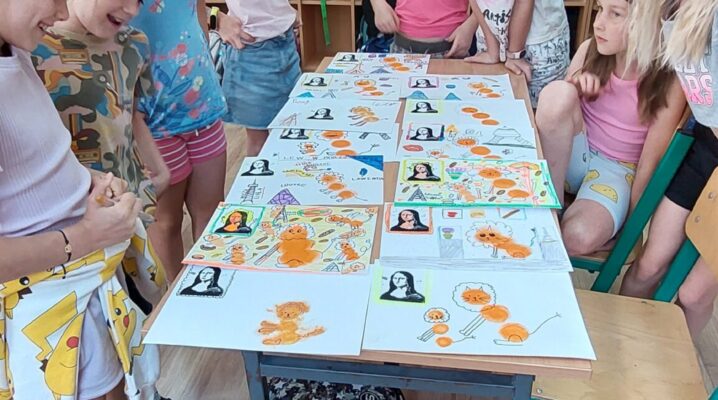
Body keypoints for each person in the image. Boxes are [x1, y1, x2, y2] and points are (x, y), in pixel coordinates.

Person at [0, 0, 164, 398]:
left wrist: (89, 181)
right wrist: (85, 236)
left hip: (84, 282)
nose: (61, 13)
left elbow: (34, 160)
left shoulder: (15, 48)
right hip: (48, 302)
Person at [534, 0, 685, 256]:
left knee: (576, 237)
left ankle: (563, 219)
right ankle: (550, 209)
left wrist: (629, 228)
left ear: (646, 23)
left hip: (616, 173)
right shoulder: (589, 49)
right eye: (600, 9)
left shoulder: (668, 79)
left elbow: (649, 164)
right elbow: (555, 115)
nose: (598, 23)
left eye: (615, 14)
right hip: (573, 155)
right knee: (558, 92)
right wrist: (574, 88)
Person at [619, 0, 718, 338]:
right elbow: (664, 122)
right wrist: (633, 214)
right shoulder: (669, 11)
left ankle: (675, 366)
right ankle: (620, 345)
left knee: (693, 294)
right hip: (705, 150)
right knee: (648, 266)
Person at [32, 0, 170, 219]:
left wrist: (160, 172)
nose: (133, 10)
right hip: (63, 218)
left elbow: (131, 115)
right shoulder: (29, 50)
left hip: (128, 205)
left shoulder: (136, 43)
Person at [131, 0, 228, 281]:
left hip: (203, 107)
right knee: (166, 221)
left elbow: (200, 11)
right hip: (153, 122)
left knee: (212, 214)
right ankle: (172, 296)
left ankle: (213, 287)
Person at [216, 0, 302, 156]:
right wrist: (216, 18)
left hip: (285, 41)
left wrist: (283, 11)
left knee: (293, 133)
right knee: (259, 144)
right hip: (252, 49)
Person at [466, 0, 571, 107]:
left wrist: (514, 54)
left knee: (540, 111)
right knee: (490, 108)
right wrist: (492, 48)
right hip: (491, 36)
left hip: (536, 44)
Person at [370, 0, 478, 58]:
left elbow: (487, 4)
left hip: (452, 49)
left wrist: (471, 26)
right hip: (402, 48)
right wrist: (378, 4)